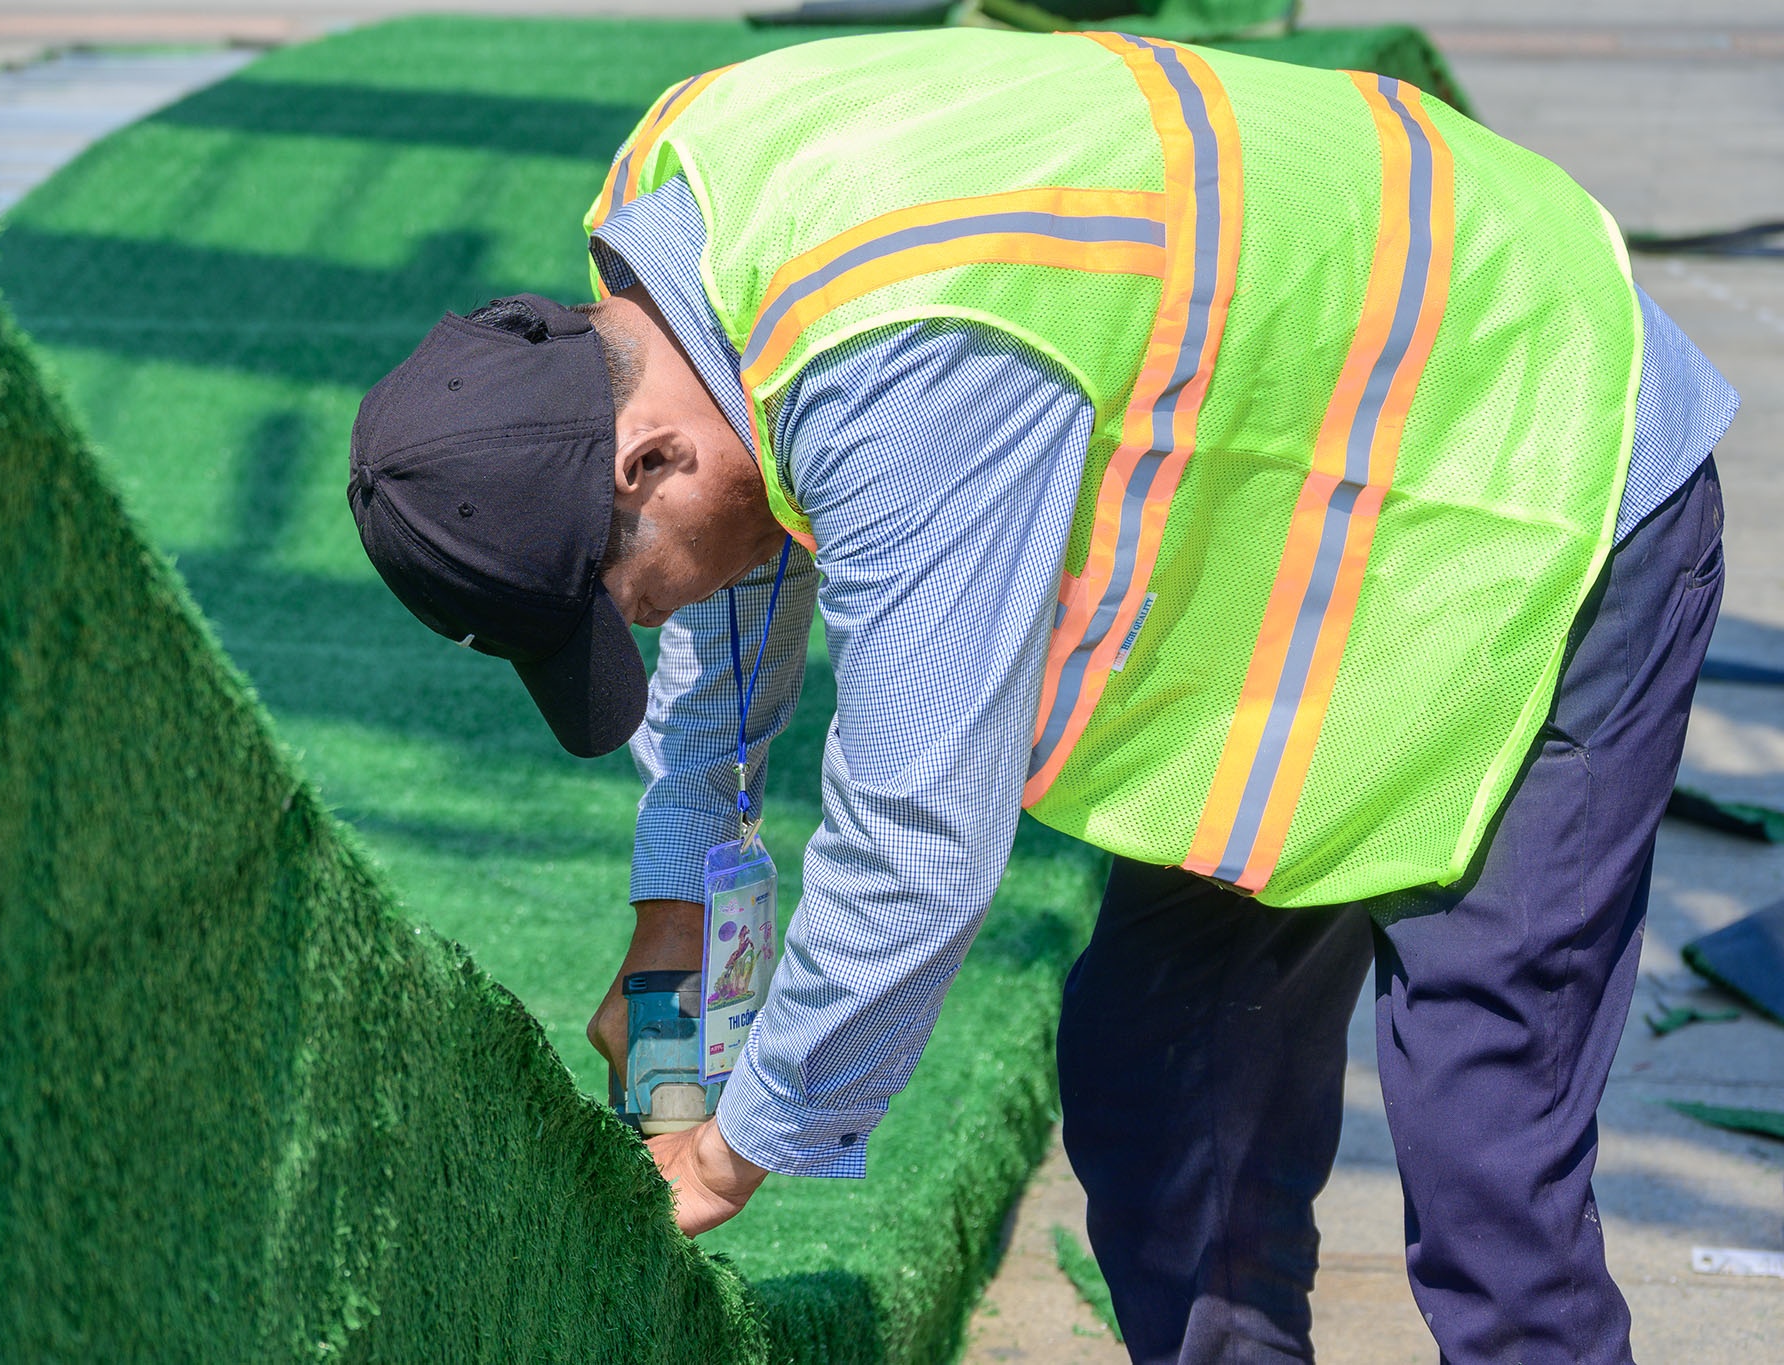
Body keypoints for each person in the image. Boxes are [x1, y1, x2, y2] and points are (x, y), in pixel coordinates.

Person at [346, 27, 1736, 1364]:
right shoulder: (669, 250)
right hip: (1327, 547)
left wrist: (730, 1150)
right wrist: (675, 914)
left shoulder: (900, 363)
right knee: (1163, 1085)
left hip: (1540, 467)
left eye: (621, 597)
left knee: (1485, 1145)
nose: (648, 622)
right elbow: (731, 565)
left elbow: (917, 834)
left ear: (644, 461)